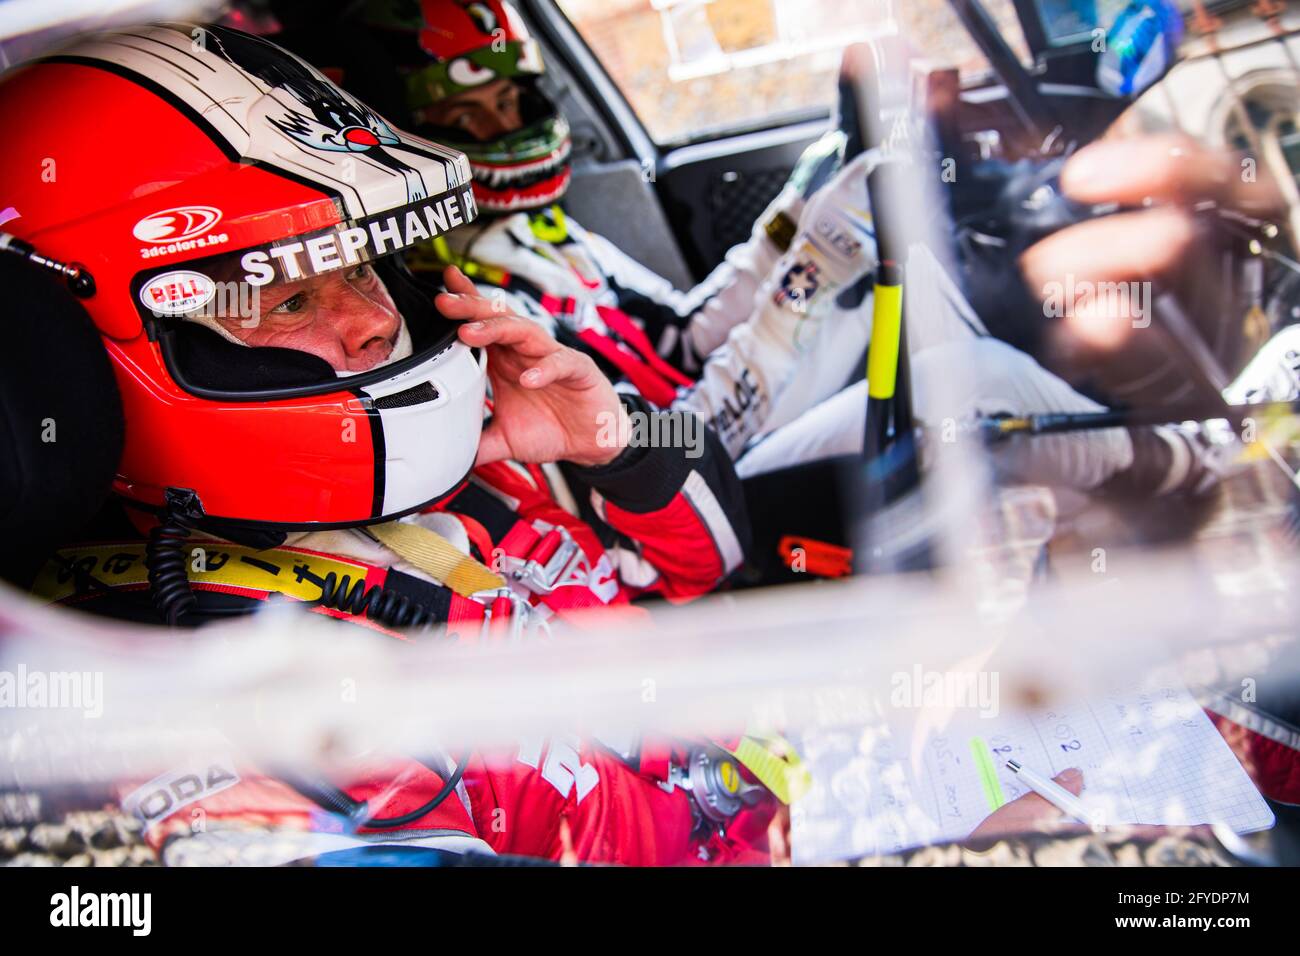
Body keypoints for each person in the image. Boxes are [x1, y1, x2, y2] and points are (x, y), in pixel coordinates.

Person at [2, 22, 777, 866]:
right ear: (67, 355)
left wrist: (619, 440)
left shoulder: (458, 457)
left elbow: (699, 570)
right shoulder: (190, 696)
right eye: (288, 300)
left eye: (360, 268)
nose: (376, 322)